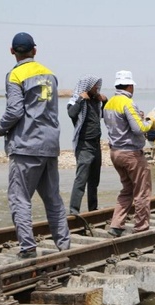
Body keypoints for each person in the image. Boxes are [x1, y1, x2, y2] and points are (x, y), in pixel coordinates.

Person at [0, 32, 70, 259]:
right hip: (50, 144)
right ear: (34, 51)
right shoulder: (49, 74)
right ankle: (64, 246)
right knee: (53, 198)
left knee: (19, 198)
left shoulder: (15, 75)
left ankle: (28, 248)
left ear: (12, 52)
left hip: (27, 146)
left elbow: (15, 111)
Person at [103, 70, 155, 237]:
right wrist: (151, 122)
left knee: (127, 189)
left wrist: (139, 119)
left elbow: (119, 125)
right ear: (130, 85)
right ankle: (141, 226)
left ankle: (116, 225)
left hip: (115, 153)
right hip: (131, 154)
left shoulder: (109, 103)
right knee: (142, 190)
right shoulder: (127, 102)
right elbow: (139, 128)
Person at [67, 75, 107, 215]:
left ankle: (93, 210)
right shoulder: (76, 102)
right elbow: (71, 114)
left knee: (94, 180)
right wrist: (81, 99)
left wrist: (105, 101)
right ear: (87, 87)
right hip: (84, 145)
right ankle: (73, 211)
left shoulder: (95, 101)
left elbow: (104, 115)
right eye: (95, 86)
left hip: (96, 144)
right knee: (81, 180)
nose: (97, 88)